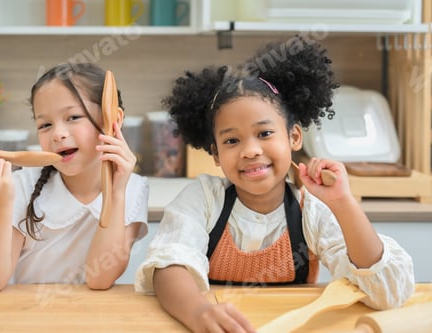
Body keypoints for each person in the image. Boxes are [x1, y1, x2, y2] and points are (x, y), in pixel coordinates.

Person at [135, 35, 414, 333]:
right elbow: (169, 266)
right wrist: (199, 312)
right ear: (216, 154)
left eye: (264, 133)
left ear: (294, 137)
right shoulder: (204, 198)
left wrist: (343, 203)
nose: (251, 150)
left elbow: (387, 293)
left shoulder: (311, 208)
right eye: (232, 140)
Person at [0, 62, 149, 293]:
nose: (57, 134)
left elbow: (100, 279)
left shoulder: (132, 188)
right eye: (45, 124)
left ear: (112, 119)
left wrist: (116, 192)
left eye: (73, 117)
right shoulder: (22, 186)